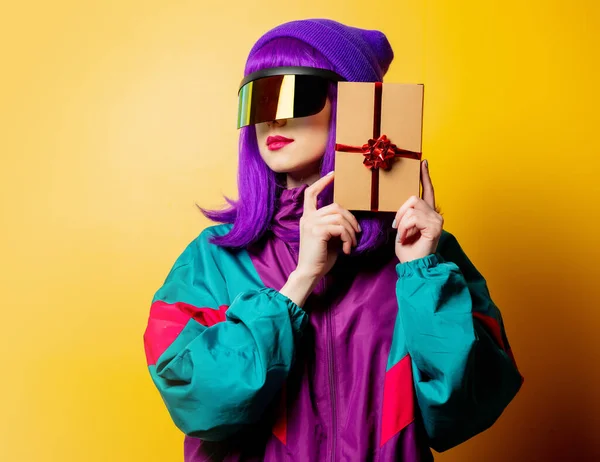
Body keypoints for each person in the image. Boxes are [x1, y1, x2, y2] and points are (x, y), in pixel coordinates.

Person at [143, 18, 524, 462]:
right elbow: (199, 402)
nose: (275, 117)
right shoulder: (214, 258)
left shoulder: (424, 255)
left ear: (357, 110)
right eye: (260, 97)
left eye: (296, 93)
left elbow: (468, 409)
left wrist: (421, 276)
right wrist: (298, 285)